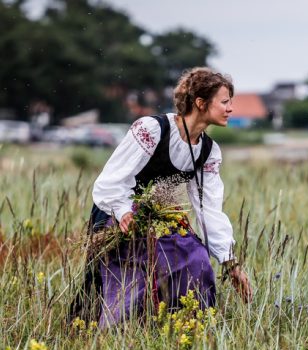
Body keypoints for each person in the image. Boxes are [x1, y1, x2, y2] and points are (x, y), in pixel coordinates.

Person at [90, 67, 252, 327]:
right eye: (224, 102)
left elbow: (208, 210)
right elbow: (110, 181)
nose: (231, 108)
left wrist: (230, 263)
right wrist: (124, 211)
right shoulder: (153, 129)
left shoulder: (208, 151)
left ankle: (187, 327)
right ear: (200, 103)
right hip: (117, 217)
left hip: (162, 217)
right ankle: (119, 336)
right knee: (134, 278)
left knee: (196, 261)